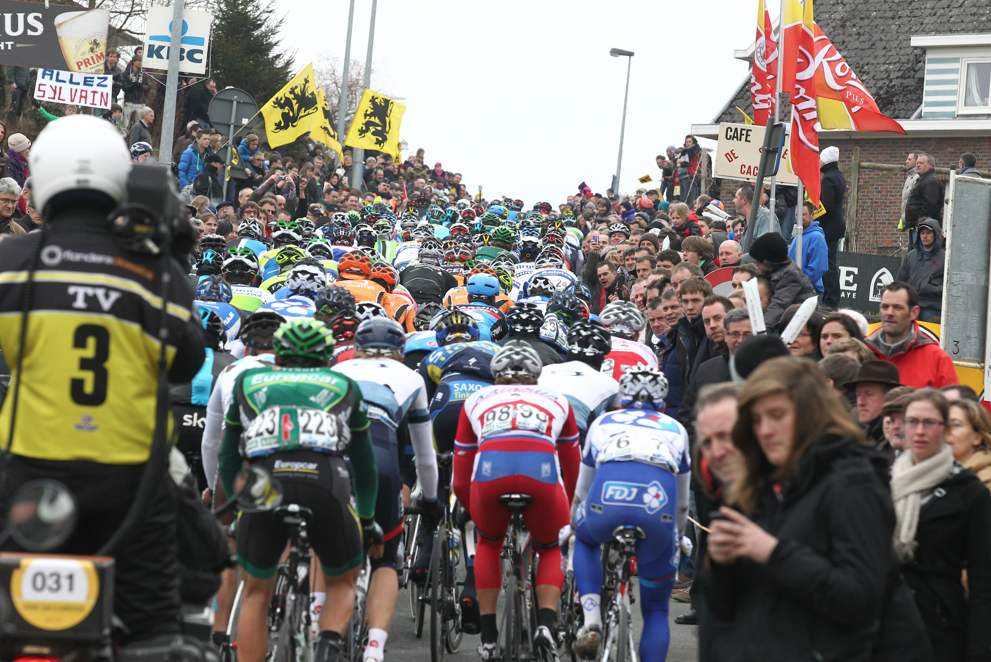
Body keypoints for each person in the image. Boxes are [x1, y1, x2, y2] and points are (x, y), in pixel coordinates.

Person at [0, 115, 206, 642]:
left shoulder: (9, 262)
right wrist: (173, 257)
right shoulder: (159, 276)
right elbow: (186, 364)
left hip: (27, 476)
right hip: (131, 482)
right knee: (155, 635)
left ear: (39, 180)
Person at [705, 357, 899, 661]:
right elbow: (727, 611)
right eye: (756, 420)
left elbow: (861, 599)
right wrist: (722, 564)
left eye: (777, 415)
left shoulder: (853, 483)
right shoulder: (760, 486)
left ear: (811, 413)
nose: (765, 430)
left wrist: (773, 552)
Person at [219, 318, 382, 662]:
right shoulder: (342, 383)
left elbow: (227, 458)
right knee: (341, 582)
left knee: (255, 595)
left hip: (264, 482)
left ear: (277, 355)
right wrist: (366, 520)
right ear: (327, 358)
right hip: (324, 480)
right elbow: (365, 465)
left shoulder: (248, 381)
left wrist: (236, 511)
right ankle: (326, 644)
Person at [452, 341, 580, 660]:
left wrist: (469, 508)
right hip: (542, 476)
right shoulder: (558, 400)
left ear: (494, 375)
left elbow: (460, 471)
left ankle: (489, 636)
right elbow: (573, 466)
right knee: (550, 547)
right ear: (537, 376)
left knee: (490, 544)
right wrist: (575, 510)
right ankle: (546, 625)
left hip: (490, 477)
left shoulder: (476, 400)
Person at [332, 318, 440, 662]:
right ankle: (375, 648)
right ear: (400, 351)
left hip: (331, 463)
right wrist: (433, 500)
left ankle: (315, 618)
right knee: (386, 559)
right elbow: (425, 455)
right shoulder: (410, 377)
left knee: (327, 547)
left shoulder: (339, 367)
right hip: (380, 464)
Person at [570, 366, 690, 662]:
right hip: (656, 509)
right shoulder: (676, 428)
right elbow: (683, 504)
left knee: (584, 540)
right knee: (657, 610)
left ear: (621, 399)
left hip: (606, 503)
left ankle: (591, 621)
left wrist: (574, 523)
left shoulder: (604, 422)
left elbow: (581, 491)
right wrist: (678, 537)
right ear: (662, 404)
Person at [893, 389, 991, 662]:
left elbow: (983, 579)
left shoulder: (970, 492)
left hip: (939, 628)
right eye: (912, 422)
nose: (920, 431)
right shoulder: (885, 481)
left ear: (944, 429)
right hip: (885, 624)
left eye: (930, 423)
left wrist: (979, 650)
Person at [538, 320, 619, 444]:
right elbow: (616, 427)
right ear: (602, 356)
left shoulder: (543, 371)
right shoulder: (611, 384)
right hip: (573, 431)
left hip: (533, 427)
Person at [866, 282, 958, 388]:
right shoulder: (863, 353)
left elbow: (951, 403)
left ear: (914, 313)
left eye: (898, 307)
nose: (889, 313)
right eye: (885, 307)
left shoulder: (937, 360)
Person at [748, 232, 817, 327]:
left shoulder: (790, 275)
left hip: (800, 322)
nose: (755, 264)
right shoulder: (776, 272)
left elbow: (779, 304)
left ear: (767, 261)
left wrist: (764, 328)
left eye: (758, 261)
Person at [896, 217, 944, 322]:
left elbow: (949, 286)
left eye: (928, 233)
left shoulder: (945, 257)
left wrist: (933, 290)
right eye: (922, 233)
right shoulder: (911, 256)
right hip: (911, 307)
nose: (924, 236)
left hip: (932, 309)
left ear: (935, 234)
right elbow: (900, 281)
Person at [817, 146, 847, 310]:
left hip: (829, 227)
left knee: (828, 264)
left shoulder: (828, 179)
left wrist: (812, 216)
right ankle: (830, 299)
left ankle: (831, 300)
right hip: (835, 226)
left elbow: (826, 205)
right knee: (830, 263)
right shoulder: (839, 175)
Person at [845, 360, 902, 446]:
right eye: (858, 394)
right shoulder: (862, 436)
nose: (861, 402)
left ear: (890, 398)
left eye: (869, 394)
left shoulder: (898, 440)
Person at [947, 398, 991, 491]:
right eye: (943, 424)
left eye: (956, 425)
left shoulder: (985, 482)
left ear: (977, 437)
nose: (946, 432)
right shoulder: (935, 473)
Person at [788, 201, 828, 294]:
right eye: (797, 214)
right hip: (793, 289)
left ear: (812, 215)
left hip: (807, 292)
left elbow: (818, 269)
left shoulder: (817, 238)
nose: (799, 218)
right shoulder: (797, 237)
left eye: (803, 214)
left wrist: (800, 284)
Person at [904, 153, 944, 243]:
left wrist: (920, 224)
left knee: (920, 254)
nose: (917, 165)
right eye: (917, 163)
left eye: (921, 163)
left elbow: (929, 206)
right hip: (916, 227)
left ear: (930, 165)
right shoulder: (923, 180)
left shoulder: (931, 182)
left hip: (924, 229)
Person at [734, 183, 779, 253]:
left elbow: (766, 249)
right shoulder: (746, 222)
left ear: (744, 200)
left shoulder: (766, 217)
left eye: (736, 197)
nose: (733, 201)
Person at [121, 53, 151, 130]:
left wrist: (141, 86)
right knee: (125, 125)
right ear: (134, 62)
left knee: (139, 124)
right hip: (129, 101)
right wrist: (131, 86)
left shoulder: (144, 74)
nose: (140, 63)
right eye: (138, 61)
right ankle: (124, 139)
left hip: (140, 102)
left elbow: (149, 86)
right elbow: (123, 87)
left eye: (141, 61)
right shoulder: (126, 73)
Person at [901, 152, 920, 229]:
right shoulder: (909, 177)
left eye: (909, 159)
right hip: (909, 220)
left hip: (915, 222)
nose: (906, 161)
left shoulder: (917, 177)